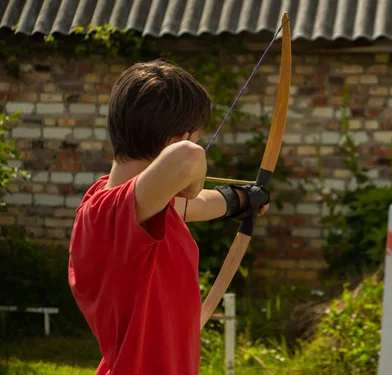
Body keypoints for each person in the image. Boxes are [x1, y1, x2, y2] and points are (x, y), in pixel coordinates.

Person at [68, 59, 270, 375]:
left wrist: (240, 200)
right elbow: (188, 160)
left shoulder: (130, 207)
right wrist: (190, 171)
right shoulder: (108, 212)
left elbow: (194, 205)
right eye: (196, 137)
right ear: (178, 140)